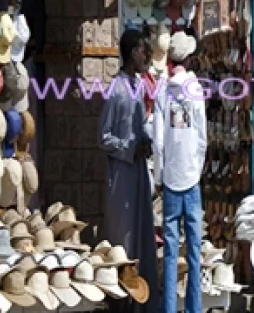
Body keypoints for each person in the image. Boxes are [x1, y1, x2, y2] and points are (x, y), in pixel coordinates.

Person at [97, 29, 159, 313]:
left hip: (139, 175)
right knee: (124, 239)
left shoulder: (138, 87)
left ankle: (140, 300)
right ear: (133, 52)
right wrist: (128, 148)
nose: (147, 56)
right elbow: (103, 137)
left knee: (142, 236)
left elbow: (139, 127)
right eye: (144, 50)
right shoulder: (116, 89)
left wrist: (145, 142)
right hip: (122, 177)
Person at [153, 31, 207, 313]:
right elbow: (202, 137)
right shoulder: (195, 89)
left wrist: (160, 176)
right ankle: (194, 308)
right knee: (195, 251)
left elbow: (158, 141)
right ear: (188, 59)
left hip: (172, 178)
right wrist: (197, 169)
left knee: (171, 252)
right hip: (191, 177)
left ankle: (169, 308)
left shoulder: (163, 90)